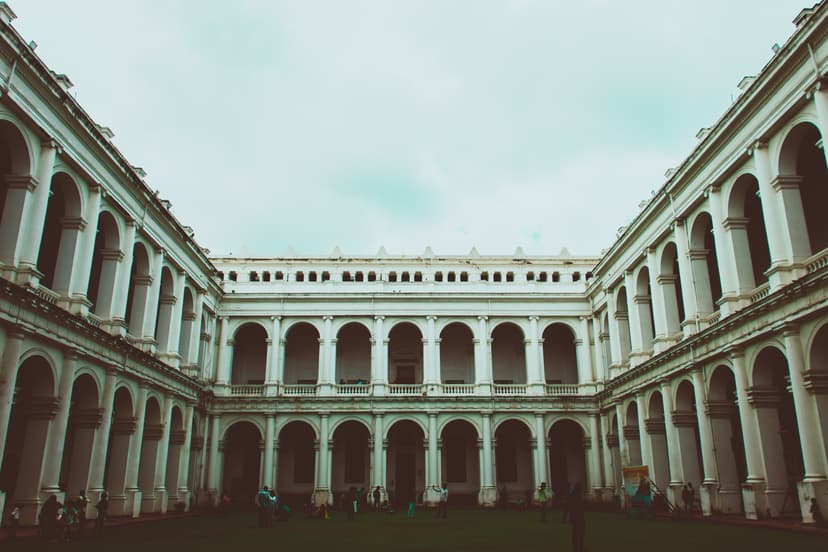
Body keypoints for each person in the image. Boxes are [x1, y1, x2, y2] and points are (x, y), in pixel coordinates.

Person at [565, 482, 586, 552]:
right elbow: (578, 507)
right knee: (580, 533)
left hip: (575, 517)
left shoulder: (573, 495)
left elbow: (569, 507)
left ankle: (577, 548)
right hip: (579, 517)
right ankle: (580, 548)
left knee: (576, 533)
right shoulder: (577, 496)